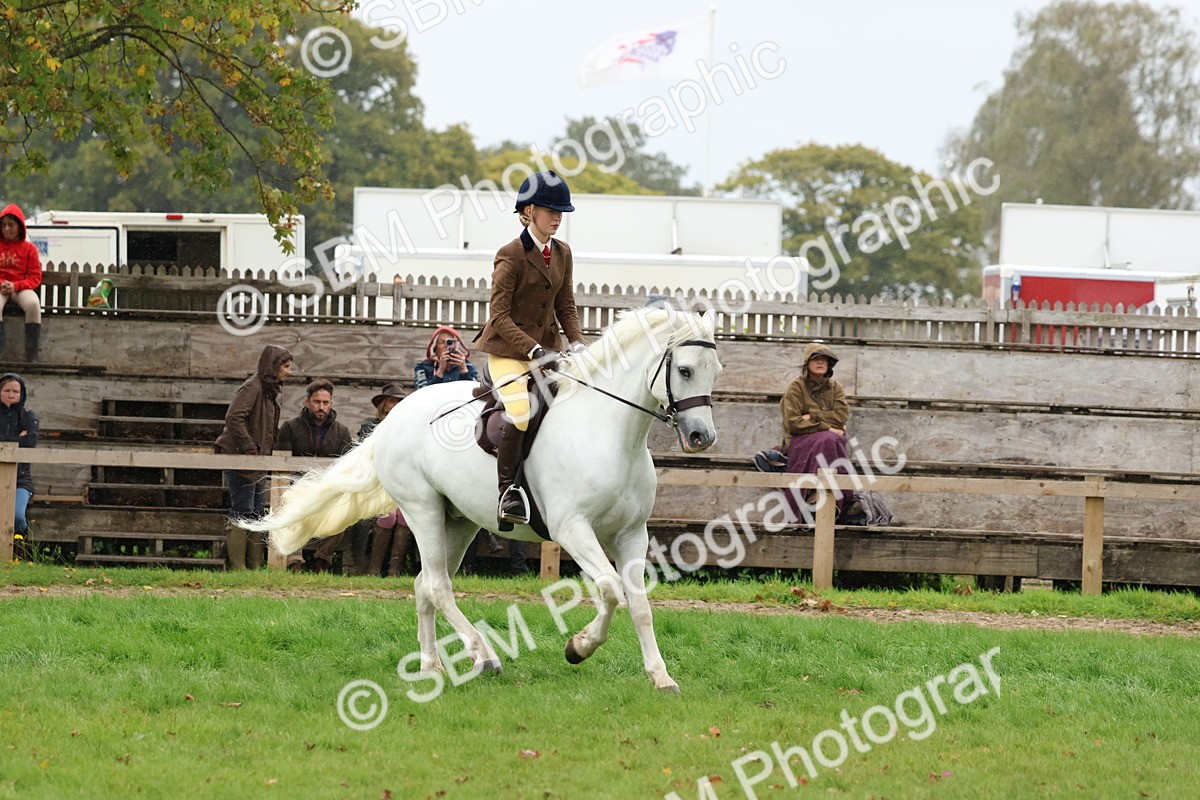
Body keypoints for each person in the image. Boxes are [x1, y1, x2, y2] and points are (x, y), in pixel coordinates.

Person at [473, 170, 587, 525]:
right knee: (521, 411)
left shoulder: (563, 253)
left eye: (561, 213)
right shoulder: (510, 255)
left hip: (548, 351)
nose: (557, 218)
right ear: (529, 211)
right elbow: (500, 317)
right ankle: (507, 493)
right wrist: (534, 349)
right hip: (508, 352)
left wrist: (579, 344)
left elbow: (565, 307)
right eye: (551, 211)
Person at [214, 344, 293, 570]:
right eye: (285, 366)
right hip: (240, 458)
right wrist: (249, 446)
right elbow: (234, 417)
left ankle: (255, 567)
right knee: (243, 510)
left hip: (257, 459)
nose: (289, 371)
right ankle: (239, 568)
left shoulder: (268, 389)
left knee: (258, 511)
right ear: (274, 366)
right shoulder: (253, 387)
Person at [276, 378, 354, 573]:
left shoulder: (342, 432)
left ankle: (321, 561)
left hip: (327, 489)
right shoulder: (290, 428)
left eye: (325, 403)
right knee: (289, 506)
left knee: (343, 513)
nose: (321, 407)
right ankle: (294, 562)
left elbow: (346, 466)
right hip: (296, 487)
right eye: (317, 402)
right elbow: (282, 463)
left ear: (331, 404)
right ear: (307, 402)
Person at [780, 342, 857, 522]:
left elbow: (841, 417)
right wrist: (826, 426)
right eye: (816, 359)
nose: (821, 362)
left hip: (830, 438)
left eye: (825, 360)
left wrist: (812, 416)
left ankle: (827, 498)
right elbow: (794, 423)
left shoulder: (835, 387)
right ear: (807, 363)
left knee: (831, 440)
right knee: (830, 438)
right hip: (801, 439)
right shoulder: (795, 387)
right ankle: (824, 497)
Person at [357, 382, 415, 577]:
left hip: (401, 484)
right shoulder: (369, 427)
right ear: (383, 404)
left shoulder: (408, 430)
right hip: (376, 484)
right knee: (387, 517)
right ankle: (373, 570)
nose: (395, 405)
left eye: (399, 401)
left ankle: (394, 571)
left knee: (404, 518)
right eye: (392, 401)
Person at [0, 204, 44, 362]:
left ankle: (31, 356)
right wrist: (2, 283)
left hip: (20, 287)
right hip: (0, 287)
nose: (6, 229)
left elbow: (35, 277)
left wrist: (16, 286)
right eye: (3, 225)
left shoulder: (29, 249)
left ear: (19, 226)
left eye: (11, 225)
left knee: (33, 304)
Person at [0, 373, 38, 543]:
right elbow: (20, 441)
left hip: (20, 480)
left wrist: (9, 440)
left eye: (15, 391)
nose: (11, 395)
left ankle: (22, 548)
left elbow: (30, 442)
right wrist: (18, 438)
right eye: (6, 390)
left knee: (17, 516)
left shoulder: (28, 417)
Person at [413, 325, 478, 390]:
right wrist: (440, 371)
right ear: (435, 347)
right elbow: (421, 394)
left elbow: (474, 394)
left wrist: (464, 371)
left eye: (450, 342)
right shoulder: (423, 367)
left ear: (456, 345)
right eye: (441, 342)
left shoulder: (468, 366)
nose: (446, 346)